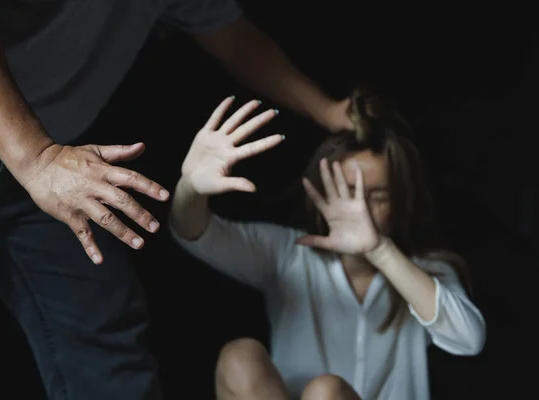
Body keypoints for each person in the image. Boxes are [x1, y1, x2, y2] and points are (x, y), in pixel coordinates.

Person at [0, 1, 352, 399]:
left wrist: (327, 110)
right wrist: (36, 158)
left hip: (57, 163)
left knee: (105, 342)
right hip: (18, 151)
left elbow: (232, 39)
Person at [169, 91, 487, 400]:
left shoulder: (426, 270)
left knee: (327, 393)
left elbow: (469, 339)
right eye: (348, 191)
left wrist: (380, 251)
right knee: (239, 358)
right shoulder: (290, 254)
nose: (359, 209)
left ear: (399, 202)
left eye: (376, 197)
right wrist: (190, 188)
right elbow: (194, 232)